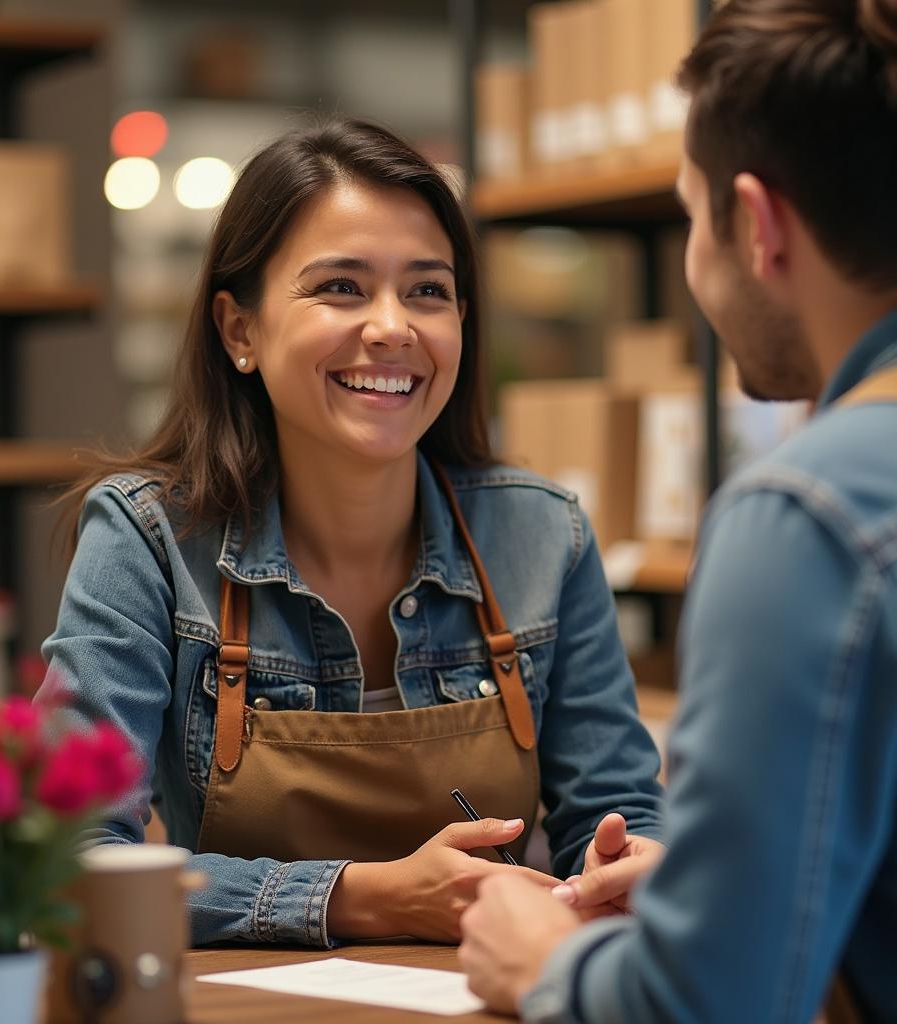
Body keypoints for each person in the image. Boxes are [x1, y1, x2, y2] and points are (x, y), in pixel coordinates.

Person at [39, 117, 664, 948]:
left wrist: (637, 862)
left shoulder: (543, 535)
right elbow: (66, 860)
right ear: (240, 331)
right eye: (341, 286)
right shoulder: (150, 540)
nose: (392, 327)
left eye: (428, 290)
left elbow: (616, 817)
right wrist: (355, 897)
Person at [459, 1, 897, 1020]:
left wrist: (537, 961)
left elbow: (701, 1005)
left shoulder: (810, 513)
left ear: (755, 225)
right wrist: (736, 887)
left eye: (689, 214)